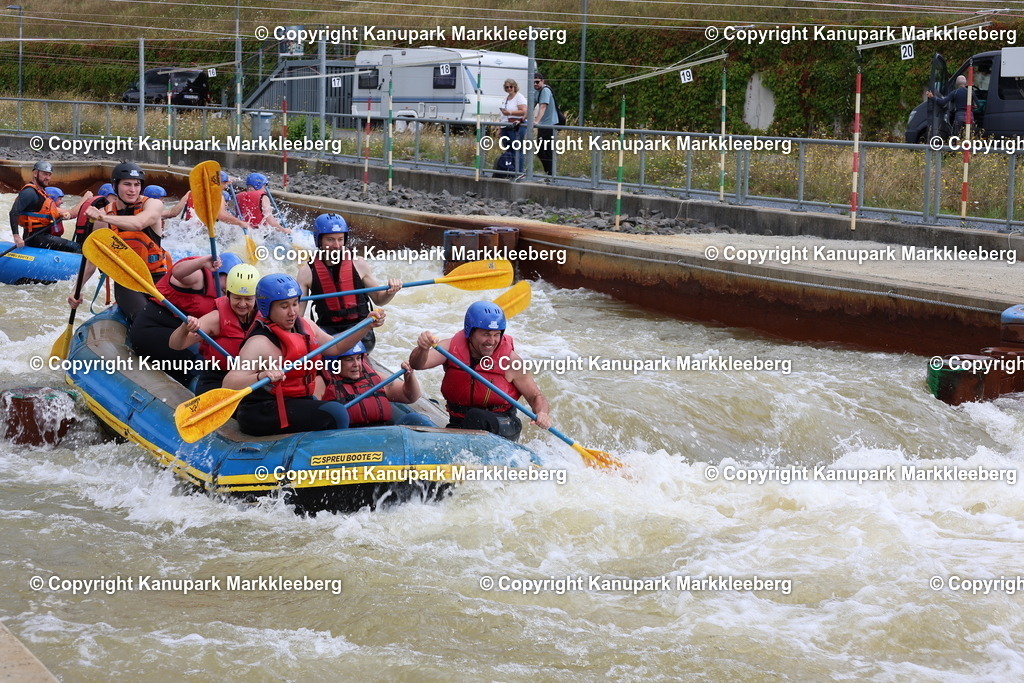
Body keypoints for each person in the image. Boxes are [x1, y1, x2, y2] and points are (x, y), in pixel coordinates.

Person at [223, 273, 385, 436]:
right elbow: (229, 384)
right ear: (267, 307)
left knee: (332, 408)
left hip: (296, 400)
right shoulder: (259, 343)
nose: (292, 312)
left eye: (295, 304)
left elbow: (336, 348)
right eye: (284, 306)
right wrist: (261, 376)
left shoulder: (306, 325)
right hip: (262, 410)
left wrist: (366, 325)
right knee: (336, 413)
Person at [409, 301, 551, 442]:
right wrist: (423, 348)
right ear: (470, 332)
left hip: (503, 424)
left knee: (476, 417)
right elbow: (418, 364)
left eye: (496, 334)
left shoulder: (511, 362)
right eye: (486, 334)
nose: (492, 341)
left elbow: (535, 396)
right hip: (460, 423)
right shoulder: (450, 348)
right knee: (413, 419)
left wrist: (542, 413)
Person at [70, 162, 169, 321]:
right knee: (144, 319)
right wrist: (76, 291)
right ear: (115, 186)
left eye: (137, 185)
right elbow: (93, 260)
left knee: (171, 319)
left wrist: (102, 217)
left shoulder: (152, 204)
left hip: (157, 277)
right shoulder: (103, 216)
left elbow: (139, 223)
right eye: (127, 184)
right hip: (127, 281)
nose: (132, 190)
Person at [128, 253, 242, 385]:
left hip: (182, 336)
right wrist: (203, 261)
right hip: (153, 331)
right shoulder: (199, 277)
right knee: (204, 361)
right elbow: (178, 273)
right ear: (218, 273)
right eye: (226, 282)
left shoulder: (231, 297)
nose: (228, 289)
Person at [297, 213, 401, 354]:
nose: (337, 245)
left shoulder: (358, 263)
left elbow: (379, 299)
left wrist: (391, 291)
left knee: (347, 353)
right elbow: (298, 317)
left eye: (340, 239)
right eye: (330, 240)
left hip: (361, 331)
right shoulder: (306, 272)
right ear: (319, 240)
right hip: (328, 334)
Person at [168, 263, 260, 395]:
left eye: (248, 299)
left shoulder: (264, 317)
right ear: (228, 295)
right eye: (237, 298)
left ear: (256, 297)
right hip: (217, 379)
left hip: (250, 379)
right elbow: (175, 345)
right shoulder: (216, 319)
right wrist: (184, 328)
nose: (242, 304)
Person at [321, 341, 421, 427]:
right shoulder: (323, 382)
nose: (356, 364)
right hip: (349, 437)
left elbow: (409, 397)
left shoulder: (372, 376)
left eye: (358, 358)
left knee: (415, 418)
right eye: (349, 359)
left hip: (382, 432)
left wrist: (409, 376)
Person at [8, 160, 77, 252]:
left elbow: (45, 213)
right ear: (35, 173)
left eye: (49, 175)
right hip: (35, 238)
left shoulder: (41, 192)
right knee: (76, 247)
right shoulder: (29, 192)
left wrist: (62, 215)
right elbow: (13, 212)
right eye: (45, 174)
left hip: (43, 235)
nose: (48, 178)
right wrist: (16, 236)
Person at [498, 78, 527, 175]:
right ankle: (511, 170)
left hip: (516, 126)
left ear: (515, 87)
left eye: (511, 87)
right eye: (507, 87)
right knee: (508, 149)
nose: (509, 89)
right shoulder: (505, 98)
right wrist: (499, 128)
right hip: (505, 125)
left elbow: (524, 111)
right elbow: (502, 115)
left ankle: (519, 172)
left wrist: (510, 112)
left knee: (516, 149)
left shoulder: (519, 97)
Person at [532, 72, 558, 176]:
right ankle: (549, 174)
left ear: (542, 81)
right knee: (540, 151)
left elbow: (543, 106)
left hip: (549, 125)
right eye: (533, 83)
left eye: (537, 82)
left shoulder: (545, 90)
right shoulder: (536, 91)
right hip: (543, 125)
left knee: (546, 151)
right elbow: (532, 106)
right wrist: (523, 118)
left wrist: (536, 121)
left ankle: (551, 175)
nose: (535, 84)